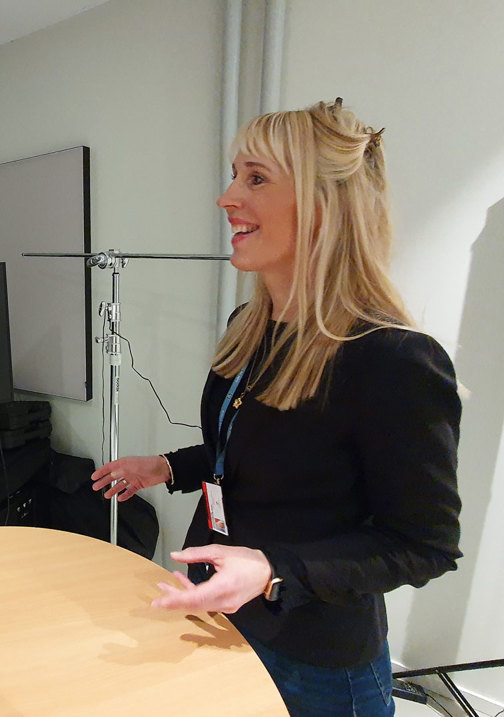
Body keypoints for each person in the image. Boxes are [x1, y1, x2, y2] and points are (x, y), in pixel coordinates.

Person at [91, 99, 462, 716]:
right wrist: (166, 467)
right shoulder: (249, 328)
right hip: (220, 614)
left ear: (322, 205)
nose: (227, 197)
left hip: (315, 661)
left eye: (256, 178)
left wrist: (271, 571)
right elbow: (254, 452)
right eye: (235, 174)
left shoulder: (393, 360)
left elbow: (423, 543)